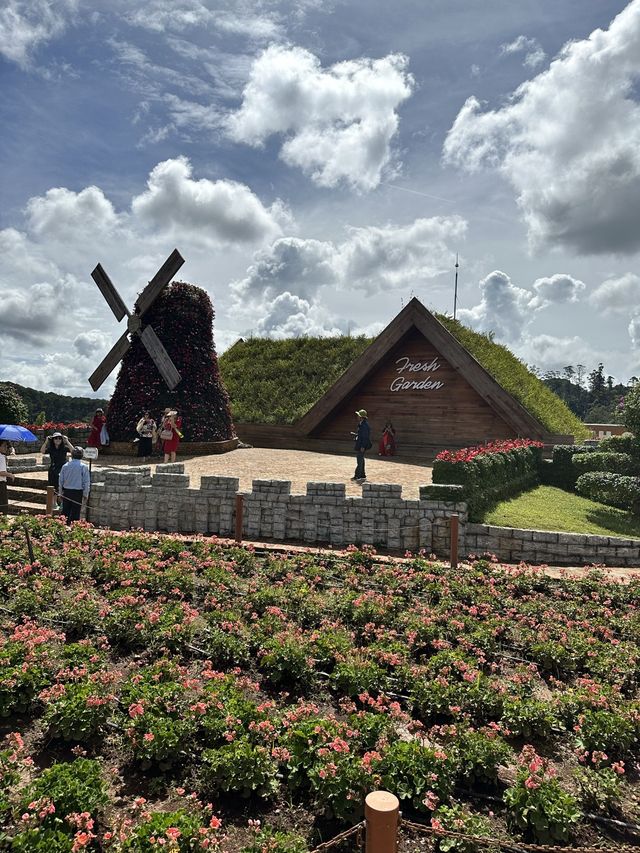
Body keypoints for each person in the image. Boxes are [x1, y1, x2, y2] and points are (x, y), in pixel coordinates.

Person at [41, 431, 73, 508]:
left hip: (63, 469)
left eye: (59, 438)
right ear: (53, 440)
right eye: (55, 438)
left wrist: (67, 441)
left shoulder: (64, 448)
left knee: (63, 486)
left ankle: (62, 503)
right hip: (53, 469)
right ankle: (54, 503)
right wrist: (46, 442)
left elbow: (73, 451)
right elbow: (42, 451)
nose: (58, 440)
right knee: (53, 486)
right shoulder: (51, 448)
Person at [58, 446, 90, 523]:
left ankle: (62, 527)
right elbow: (86, 482)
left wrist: (60, 493)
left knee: (65, 513)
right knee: (75, 513)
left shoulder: (65, 466)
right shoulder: (83, 467)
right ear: (82, 456)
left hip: (67, 492)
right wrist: (85, 494)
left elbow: (61, 481)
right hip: (77, 493)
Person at [350, 409, 371, 482]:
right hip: (361, 444)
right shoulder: (362, 424)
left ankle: (357, 476)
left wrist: (363, 446)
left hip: (362, 445)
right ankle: (362, 474)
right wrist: (356, 435)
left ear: (361, 417)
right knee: (361, 459)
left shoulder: (364, 425)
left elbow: (365, 437)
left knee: (359, 459)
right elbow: (362, 435)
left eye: (358, 415)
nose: (357, 417)